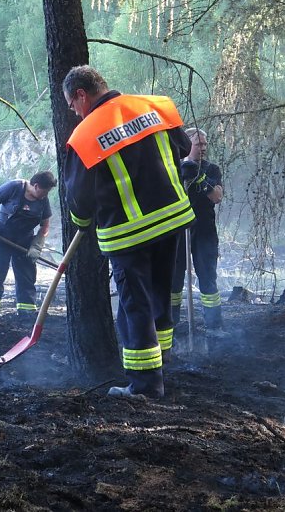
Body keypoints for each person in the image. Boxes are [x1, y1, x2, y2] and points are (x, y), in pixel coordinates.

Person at [62, 65, 193, 399]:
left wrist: (81, 221)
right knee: (161, 297)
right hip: (171, 219)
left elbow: (79, 196)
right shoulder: (155, 106)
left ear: (81, 94)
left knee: (135, 306)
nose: (73, 112)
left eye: (72, 105)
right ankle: (162, 362)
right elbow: (181, 146)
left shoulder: (85, 135)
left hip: (129, 233)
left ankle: (145, 386)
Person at [170, 128, 224, 331]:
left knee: (208, 278)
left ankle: (214, 327)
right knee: (173, 281)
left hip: (204, 231)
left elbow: (217, 196)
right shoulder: (174, 167)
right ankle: (171, 326)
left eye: (205, 144)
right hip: (177, 230)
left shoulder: (212, 169)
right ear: (187, 145)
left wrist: (200, 179)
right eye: (198, 144)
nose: (203, 148)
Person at [0, 171, 57, 316]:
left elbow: (45, 225)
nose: (45, 195)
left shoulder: (43, 200)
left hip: (24, 241)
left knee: (26, 276)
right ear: (36, 186)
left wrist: (36, 245)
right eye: (44, 191)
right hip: (1, 238)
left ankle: (26, 311)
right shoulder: (14, 187)